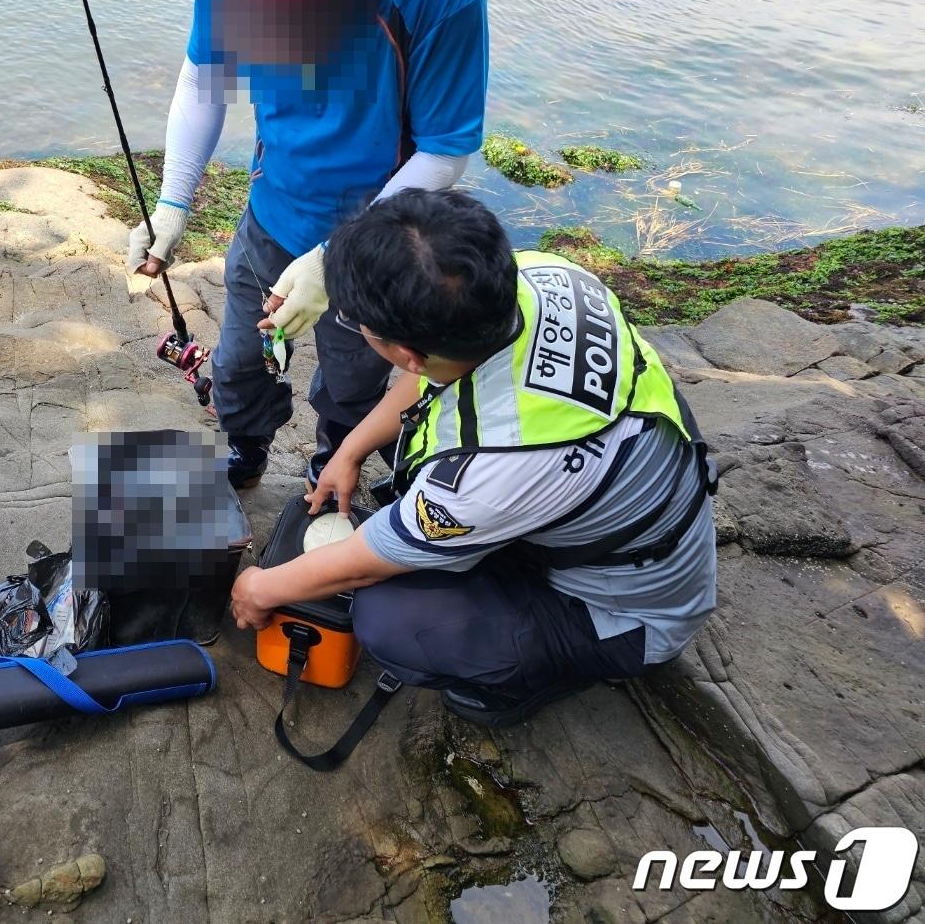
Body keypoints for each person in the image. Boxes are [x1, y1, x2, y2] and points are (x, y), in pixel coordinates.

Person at [228, 190, 718, 726]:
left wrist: (260, 588)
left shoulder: (490, 476)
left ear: (405, 351)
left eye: (361, 327)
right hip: (612, 518)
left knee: (390, 618)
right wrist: (352, 448)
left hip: (623, 613)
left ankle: (514, 686)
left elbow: (371, 560)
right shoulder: (543, 276)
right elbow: (429, 372)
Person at [126, 0, 489, 489]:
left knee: (352, 376)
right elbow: (202, 79)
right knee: (240, 359)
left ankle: (333, 462)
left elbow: (445, 152)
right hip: (275, 203)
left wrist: (339, 255)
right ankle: (245, 444)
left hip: (381, 232)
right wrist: (172, 203)